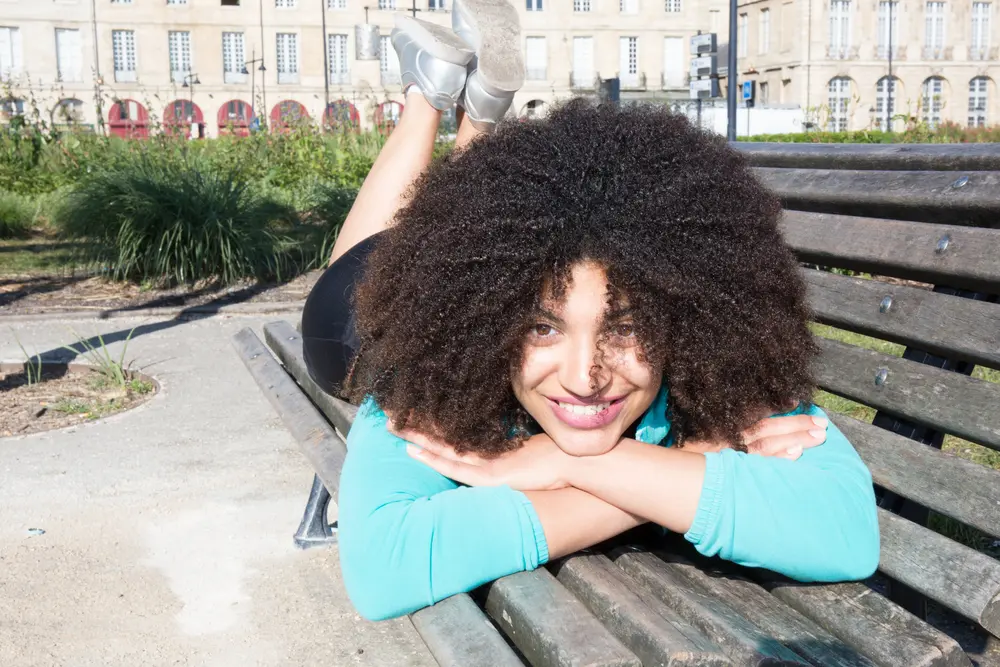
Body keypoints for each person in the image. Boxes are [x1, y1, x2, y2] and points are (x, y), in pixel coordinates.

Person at [300, 1, 880, 623]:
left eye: (626, 327)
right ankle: (427, 98)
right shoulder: (429, 373)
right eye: (542, 328)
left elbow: (844, 530)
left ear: (685, 315)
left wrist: (572, 464)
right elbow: (383, 567)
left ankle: (465, 104)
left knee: (468, 215)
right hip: (357, 331)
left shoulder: (713, 371)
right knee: (369, 281)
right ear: (490, 325)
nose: (585, 377)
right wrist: (685, 471)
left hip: (473, 264)